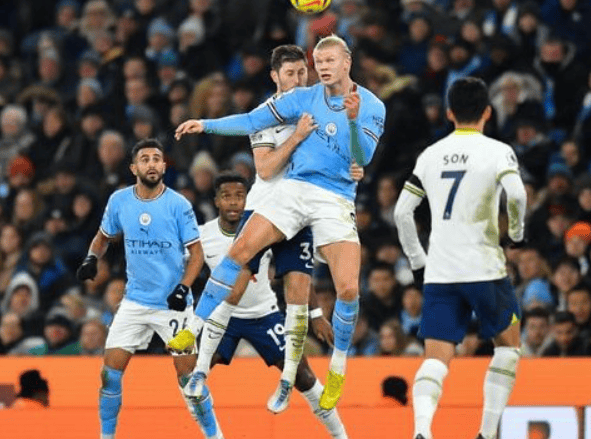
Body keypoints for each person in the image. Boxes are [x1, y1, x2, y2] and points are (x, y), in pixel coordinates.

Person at [171, 34, 385, 410]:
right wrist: (204, 124)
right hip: (294, 189)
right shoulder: (303, 98)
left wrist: (352, 122)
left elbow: (362, 156)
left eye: (330, 61)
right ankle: (193, 329)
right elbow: (252, 120)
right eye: (319, 62)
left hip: (334, 197)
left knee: (349, 289)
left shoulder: (371, 105)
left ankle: (337, 367)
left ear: (347, 62)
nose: (323, 67)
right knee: (239, 251)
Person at [393, 77, 527, 439]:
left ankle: (422, 429)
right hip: (484, 268)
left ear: (449, 113)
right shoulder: (497, 151)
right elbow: (516, 194)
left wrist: (418, 261)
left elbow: (402, 212)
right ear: (488, 112)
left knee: (435, 359)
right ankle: (486, 432)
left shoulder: (430, 155)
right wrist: (516, 233)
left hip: (440, 271)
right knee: (508, 348)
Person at [75, 138, 223, 439]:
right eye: (145, 159)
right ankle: (106, 436)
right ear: (134, 168)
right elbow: (102, 238)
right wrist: (91, 258)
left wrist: (183, 288)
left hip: (173, 305)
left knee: (189, 381)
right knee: (109, 375)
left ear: (164, 166)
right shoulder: (120, 201)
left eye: (156, 159)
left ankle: (214, 436)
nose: (152, 164)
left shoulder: (178, 205)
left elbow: (196, 254)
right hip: (135, 301)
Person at [191, 172, 348, 438]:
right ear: (216, 201)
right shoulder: (203, 235)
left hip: (263, 316)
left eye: (240, 196)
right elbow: (185, 272)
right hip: (223, 319)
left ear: (248, 198)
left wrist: (315, 313)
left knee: (304, 376)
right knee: (192, 375)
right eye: (226, 196)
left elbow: (296, 273)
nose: (233, 202)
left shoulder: (265, 226)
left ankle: (341, 435)